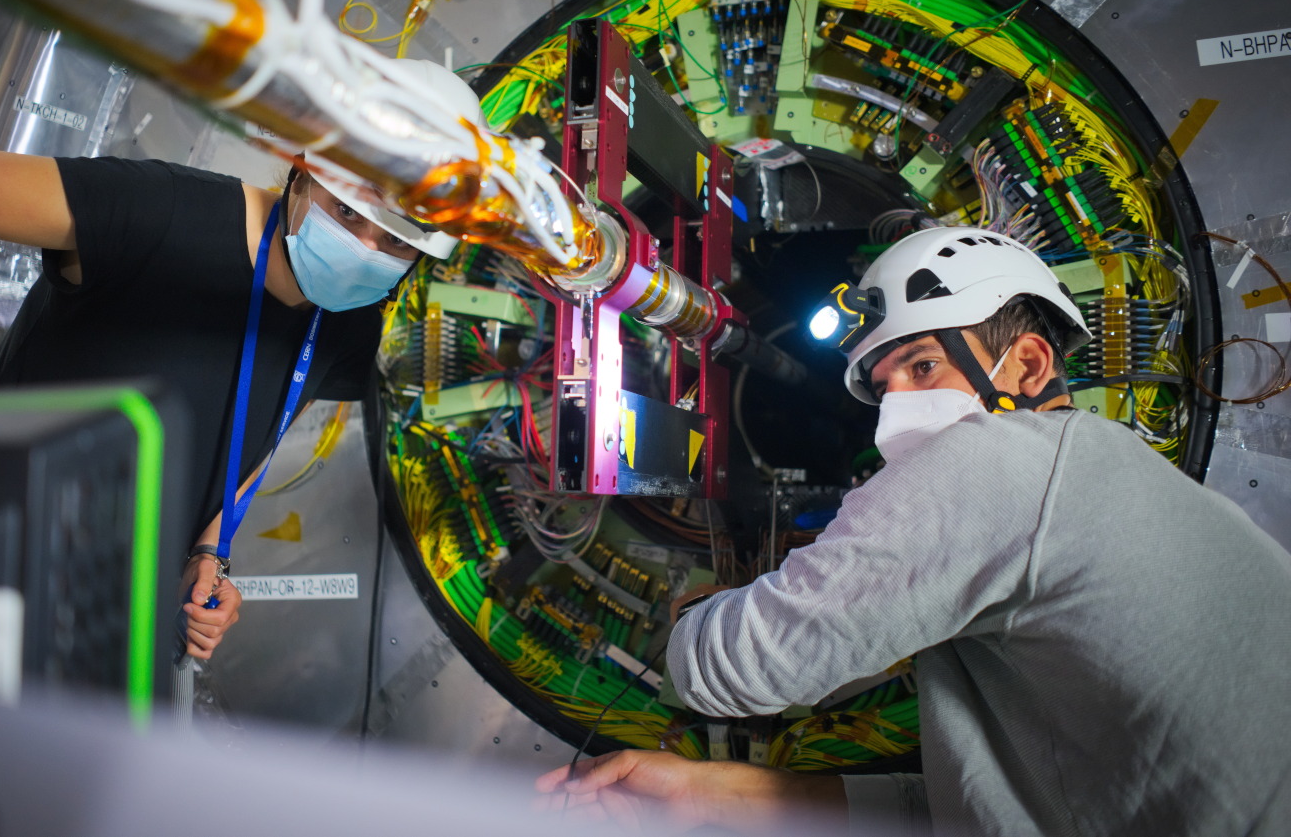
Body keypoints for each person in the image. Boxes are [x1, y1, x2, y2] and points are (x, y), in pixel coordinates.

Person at [537, 227, 1291, 835]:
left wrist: (689, 617)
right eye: (882, 387)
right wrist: (713, 791)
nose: (895, 407)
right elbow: (975, 807)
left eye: (923, 366)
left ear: (1028, 364)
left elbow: (740, 667)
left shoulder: (1003, 460)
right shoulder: (1105, 480)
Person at [0, 58, 476, 660]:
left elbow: (262, 426)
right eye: (348, 212)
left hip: (90, 617)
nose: (364, 249)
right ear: (306, 166)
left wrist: (208, 555)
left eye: (396, 241)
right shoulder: (161, 211)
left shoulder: (348, 321)